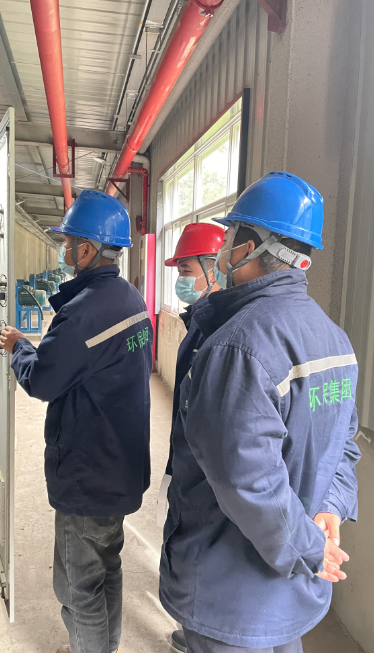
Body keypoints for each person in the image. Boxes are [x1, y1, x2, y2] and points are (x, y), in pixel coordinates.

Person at [159, 171, 360, 653]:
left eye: (230, 235)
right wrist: (330, 508)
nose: (224, 246)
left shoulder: (237, 346)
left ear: (247, 247)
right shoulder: (335, 339)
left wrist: (310, 547)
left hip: (230, 595)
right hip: (291, 588)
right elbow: (344, 442)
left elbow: (247, 480)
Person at [0, 190, 153, 653]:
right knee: (108, 566)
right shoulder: (131, 299)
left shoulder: (84, 312)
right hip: (120, 463)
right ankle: (105, 645)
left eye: (68, 243)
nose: (65, 250)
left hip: (89, 473)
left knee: (77, 586)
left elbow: (44, 380)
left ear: (87, 249)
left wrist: (19, 347)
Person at [158, 223, 225, 653]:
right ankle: (191, 625)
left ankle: (201, 631)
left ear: (214, 268)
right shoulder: (199, 322)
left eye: (186, 269)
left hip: (205, 472)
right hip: (186, 459)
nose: (180, 279)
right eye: (180, 270)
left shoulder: (224, 331)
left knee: (201, 556)